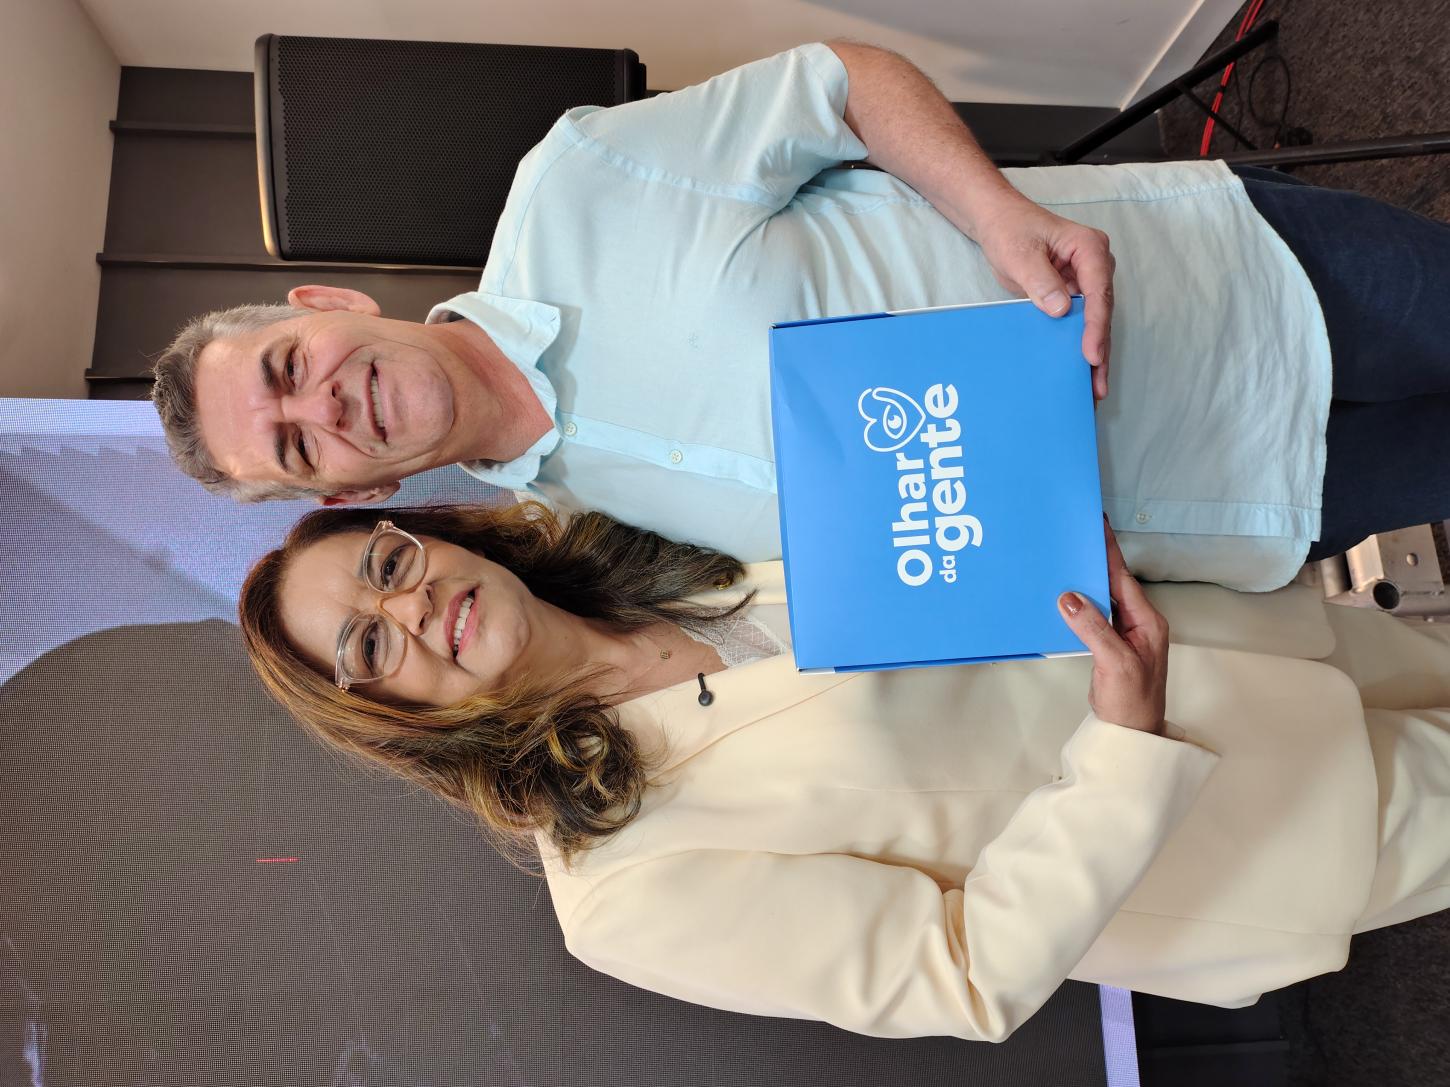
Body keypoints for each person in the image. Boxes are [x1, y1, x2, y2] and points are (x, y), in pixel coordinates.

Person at [153, 41, 1450, 593]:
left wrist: (997, 212)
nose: (324, 404)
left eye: (288, 366)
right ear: (346, 493)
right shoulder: (587, 553)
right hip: (1237, 497)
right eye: (297, 443)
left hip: (1227, 287)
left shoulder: (573, 185)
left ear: (325, 304)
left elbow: (840, 84)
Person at [238, 501, 1450, 1042]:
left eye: (386, 565)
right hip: (1262, 827)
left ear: (426, 533)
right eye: (368, 645)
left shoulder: (646, 539)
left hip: (1264, 643)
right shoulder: (619, 889)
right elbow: (960, 975)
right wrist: (1121, 745)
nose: (412, 607)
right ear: (391, 718)